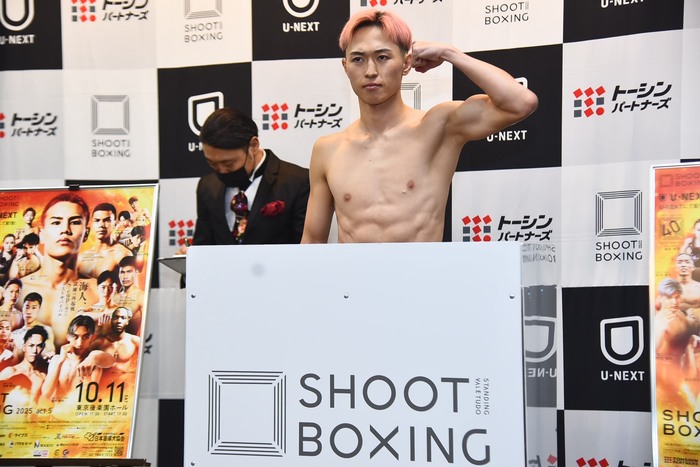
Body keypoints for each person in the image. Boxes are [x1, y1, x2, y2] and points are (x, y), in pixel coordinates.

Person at [301, 9, 538, 243]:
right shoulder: (328, 149)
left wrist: (450, 53)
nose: (370, 71)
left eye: (382, 57)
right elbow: (312, 241)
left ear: (406, 63)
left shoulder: (438, 127)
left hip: (423, 269)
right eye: (358, 59)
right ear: (345, 67)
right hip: (353, 270)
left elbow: (521, 103)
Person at [185, 108, 310, 248]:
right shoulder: (207, 186)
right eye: (212, 164)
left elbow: (306, 248)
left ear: (253, 146)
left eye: (229, 164)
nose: (222, 171)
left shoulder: (298, 182)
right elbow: (203, 245)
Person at [21, 193, 98, 347]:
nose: (65, 230)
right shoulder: (17, 291)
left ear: (86, 234)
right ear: (42, 234)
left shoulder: (99, 292)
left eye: (75, 222)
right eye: (56, 222)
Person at [41, 315, 113, 402]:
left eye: (85, 337)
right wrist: (60, 362)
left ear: (92, 338)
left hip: (78, 409)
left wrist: (93, 358)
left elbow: (110, 360)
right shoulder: (56, 360)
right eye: (75, 337)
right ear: (68, 337)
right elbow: (46, 395)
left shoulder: (93, 361)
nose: (79, 343)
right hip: (57, 409)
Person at [78, 202, 132, 279]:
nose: (101, 225)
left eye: (107, 220)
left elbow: (133, 286)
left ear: (115, 224)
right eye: (97, 220)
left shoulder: (122, 254)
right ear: (92, 224)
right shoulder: (81, 257)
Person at [0, 325, 49, 404]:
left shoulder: (41, 377)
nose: (34, 350)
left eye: (39, 346)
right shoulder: (10, 371)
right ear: (24, 347)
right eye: (31, 345)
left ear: (42, 348)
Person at [92, 307, 140, 376]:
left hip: (124, 379)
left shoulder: (134, 340)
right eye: (116, 318)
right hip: (102, 380)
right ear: (111, 320)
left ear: (127, 321)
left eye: (123, 318)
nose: (119, 321)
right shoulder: (100, 341)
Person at [113, 256, 143, 335]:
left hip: (130, 341)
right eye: (122, 272)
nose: (125, 277)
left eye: (129, 272)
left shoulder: (141, 297)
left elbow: (148, 325)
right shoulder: (114, 298)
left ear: (136, 272)